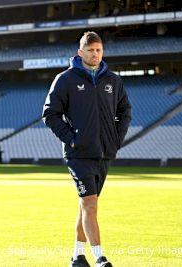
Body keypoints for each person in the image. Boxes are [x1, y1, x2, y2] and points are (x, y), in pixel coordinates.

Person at [42, 31, 131, 267]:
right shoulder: (65, 79)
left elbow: (125, 113)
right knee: (90, 203)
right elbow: (50, 114)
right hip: (78, 154)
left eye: (99, 50)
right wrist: (72, 139)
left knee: (86, 205)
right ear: (80, 52)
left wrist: (115, 139)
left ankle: (77, 256)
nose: (95, 54)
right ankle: (100, 257)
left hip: (104, 153)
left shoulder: (113, 80)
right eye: (90, 50)